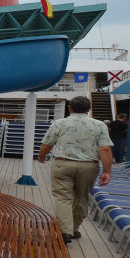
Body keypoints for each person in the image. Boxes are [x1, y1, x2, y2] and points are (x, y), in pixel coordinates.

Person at [37, 95, 113, 244]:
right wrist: (107, 171)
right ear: (89, 109)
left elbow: (47, 145)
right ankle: (73, 229)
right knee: (82, 197)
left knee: (63, 198)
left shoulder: (59, 123)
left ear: (69, 108)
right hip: (88, 166)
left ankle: (64, 231)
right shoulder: (99, 125)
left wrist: (41, 157)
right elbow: (104, 149)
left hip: (63, 164)